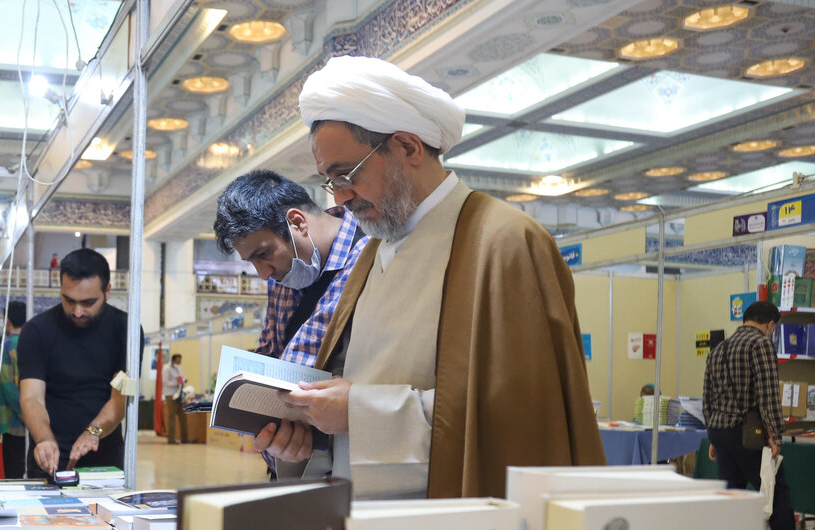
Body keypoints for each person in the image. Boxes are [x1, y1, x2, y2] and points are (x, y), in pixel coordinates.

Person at [257, 55, 604, 499]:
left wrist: (359, 413)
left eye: (347, 176)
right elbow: (347, 396)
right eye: (330, 182)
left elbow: (522, 419)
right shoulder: (371, 255)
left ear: (408, 147)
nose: (340, 200)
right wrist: (306, 435)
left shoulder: (504, 243)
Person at [704, 300, 813, 530]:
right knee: (775, 492)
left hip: (721, 430)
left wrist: (713, 436)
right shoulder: (760, 345)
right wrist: (775, 436)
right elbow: (767, 394)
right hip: (748, 433)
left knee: (732, 496)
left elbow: (708, 398)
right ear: (770, 325)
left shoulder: (718, 349)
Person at [213, 169, 368, 366]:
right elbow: (271, 351)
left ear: (297, 222)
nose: (264, 273)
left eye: (263, 254)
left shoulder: (371, 254)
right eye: (251, 261)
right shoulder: (281, 277)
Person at [19, 248, 131, 474]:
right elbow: (32, 397)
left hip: (104, 459)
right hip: (48, 457)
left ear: (107, 291)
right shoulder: (37, 331)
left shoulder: (125, 331)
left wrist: (93, 433)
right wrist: (44, 439)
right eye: (68, 301)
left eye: (88, 302)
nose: (78, 311)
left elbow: (119, 398)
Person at [0, 301, 27, 478]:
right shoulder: (32, 343)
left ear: (7, 321)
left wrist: (26, 415)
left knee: (14, 477)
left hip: (14, 422)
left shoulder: (6, 347)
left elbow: (8, 388)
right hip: (35, 421)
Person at [162, 353, 188, 444]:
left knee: (183, 416)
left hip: (180, 394)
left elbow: (183, 378)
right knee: (172, 417)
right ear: (174, 359)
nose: (180, 362)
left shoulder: (179, 368)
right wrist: (176, 383)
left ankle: (185, 439)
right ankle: (171, 439)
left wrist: (183, 381)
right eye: (178, 360)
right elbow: (165, 382)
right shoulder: (166, 368)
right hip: (170, 395)